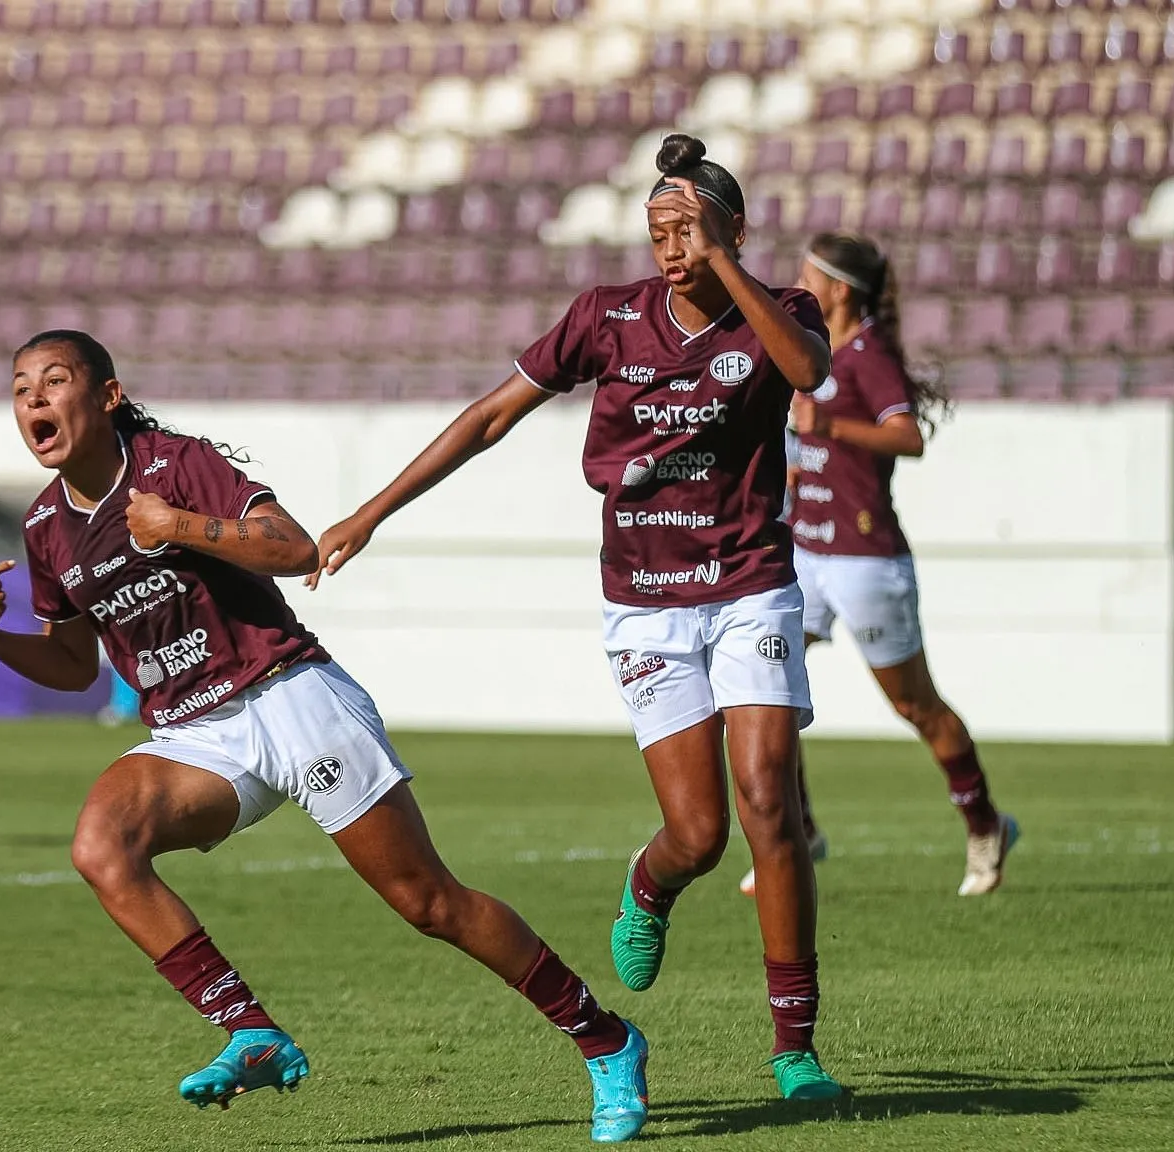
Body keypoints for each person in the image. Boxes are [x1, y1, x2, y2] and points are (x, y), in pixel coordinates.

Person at [0, 330, 651, 1142]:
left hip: (288, 693)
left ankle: (606, 1039)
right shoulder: (46, 527)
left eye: (54, 381)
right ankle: (252, 1033)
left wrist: (180, 524)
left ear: (107, 396)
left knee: (429, 903)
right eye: (19, 389)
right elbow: (76, 666)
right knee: (102, 846)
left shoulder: (173, 465)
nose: (34, 400)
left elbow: (296, 548)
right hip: (195, 735)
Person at [309, 135, 847, 1101]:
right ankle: (651, 886)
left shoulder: (784, 311)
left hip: (751, 584)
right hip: (644, 602)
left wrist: (723, 257)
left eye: (686, 228)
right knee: (699, 836)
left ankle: (795, 1046)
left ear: (730, 227)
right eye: (656, 230)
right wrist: (371, 512)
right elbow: (488, 417)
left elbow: (807, 372)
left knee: (769, 796)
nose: (668, 246)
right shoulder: (608, 318)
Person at [733, 233, 1016, 899]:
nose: (800, 282)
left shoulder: (868, 354)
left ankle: (984, 825)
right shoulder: (808, 348)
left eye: (811, 275)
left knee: (914, 703)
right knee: (762, 688)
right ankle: (796, 829)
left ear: (840, 289)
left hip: (865, 559)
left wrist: (829, 428)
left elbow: (908, 436)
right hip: (804, 552)